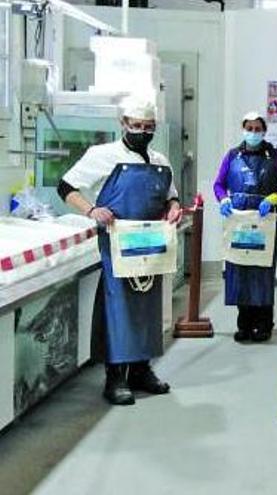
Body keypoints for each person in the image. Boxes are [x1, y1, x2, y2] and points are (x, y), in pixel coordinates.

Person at [57, 96, 182, 406]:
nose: (142, 131)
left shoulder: (160, 160)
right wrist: (92, 209)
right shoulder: (103, 155)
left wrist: (174, 207)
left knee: (148, 306)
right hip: (117, 241)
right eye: (136, 126)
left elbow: (171, 196)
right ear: (123, 124)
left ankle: (141, 369)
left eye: (148, 127)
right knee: (120, 306)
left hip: (150, 242)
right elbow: (66, 186)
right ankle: (115, 376)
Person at [214, 111, 277, 342]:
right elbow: (219, 184)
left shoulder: (275, 156)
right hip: (238, 218)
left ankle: (264, 324)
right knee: (240, 269)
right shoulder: (232, 155)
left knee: (262, 270)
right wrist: (223, 199)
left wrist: (274, 199)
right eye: (249, 128)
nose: (253, 133)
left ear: (264, 131)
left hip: (264, 221)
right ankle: (244, 324)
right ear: (243, 129)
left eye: (257, 129)